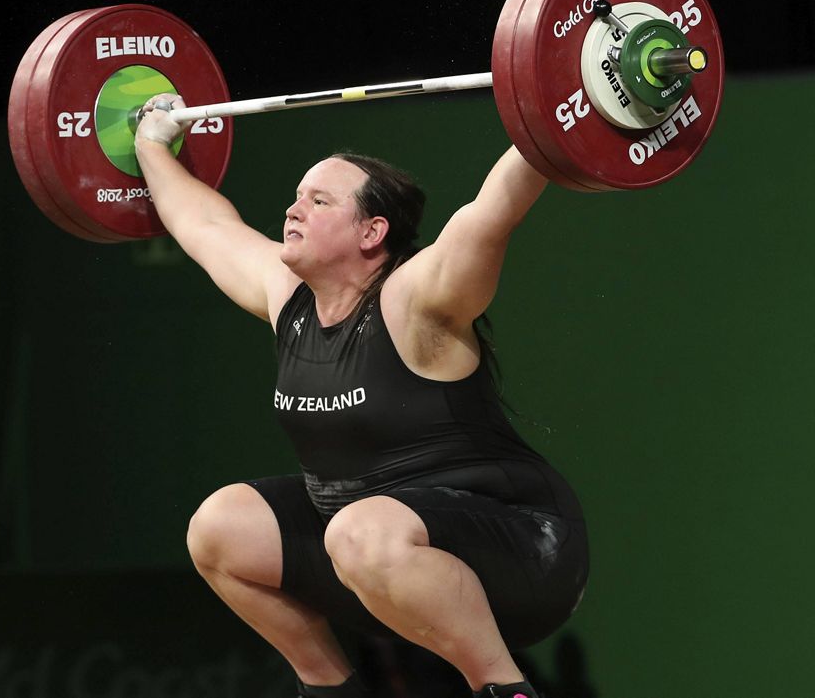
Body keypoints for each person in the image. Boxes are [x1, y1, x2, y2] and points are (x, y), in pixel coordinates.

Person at [134, 94, 588, 698]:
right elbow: (203, 223)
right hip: (373, 556)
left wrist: (561, 104)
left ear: (373, 231)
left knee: (358, 532)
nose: (293, 209)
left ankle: (504, 688)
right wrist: (149, 143)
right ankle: (331, 689)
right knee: (219, 528)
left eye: (318, 201)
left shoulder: (416, 300)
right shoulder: (286, 296)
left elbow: (491, 213)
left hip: (523, 550)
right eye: (297, 196)